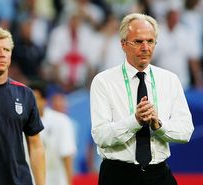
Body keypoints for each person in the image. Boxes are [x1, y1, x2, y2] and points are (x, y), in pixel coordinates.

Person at [90, 13, 194, 185]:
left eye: (150, 41)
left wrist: (159, 125)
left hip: (159, 174)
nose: (145, 47)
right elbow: (101, 136)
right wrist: (135, 121)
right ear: (123, 44)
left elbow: (185, 131)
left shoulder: (170, 80)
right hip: (118, 175)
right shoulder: (103, 82)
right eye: (138, 41)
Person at [0, 26, 45, 185]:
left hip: (18, 180)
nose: (2, 54)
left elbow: (35, 145)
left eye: (6, 50)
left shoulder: (25, 94)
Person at [29, 81, 76, 185]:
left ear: (44, 101)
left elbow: (67, 155)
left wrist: (69, 182)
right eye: (28, 99)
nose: (30, 103)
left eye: (35, 99)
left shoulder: (62, 121)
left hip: (56, 181)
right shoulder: (21, 123)